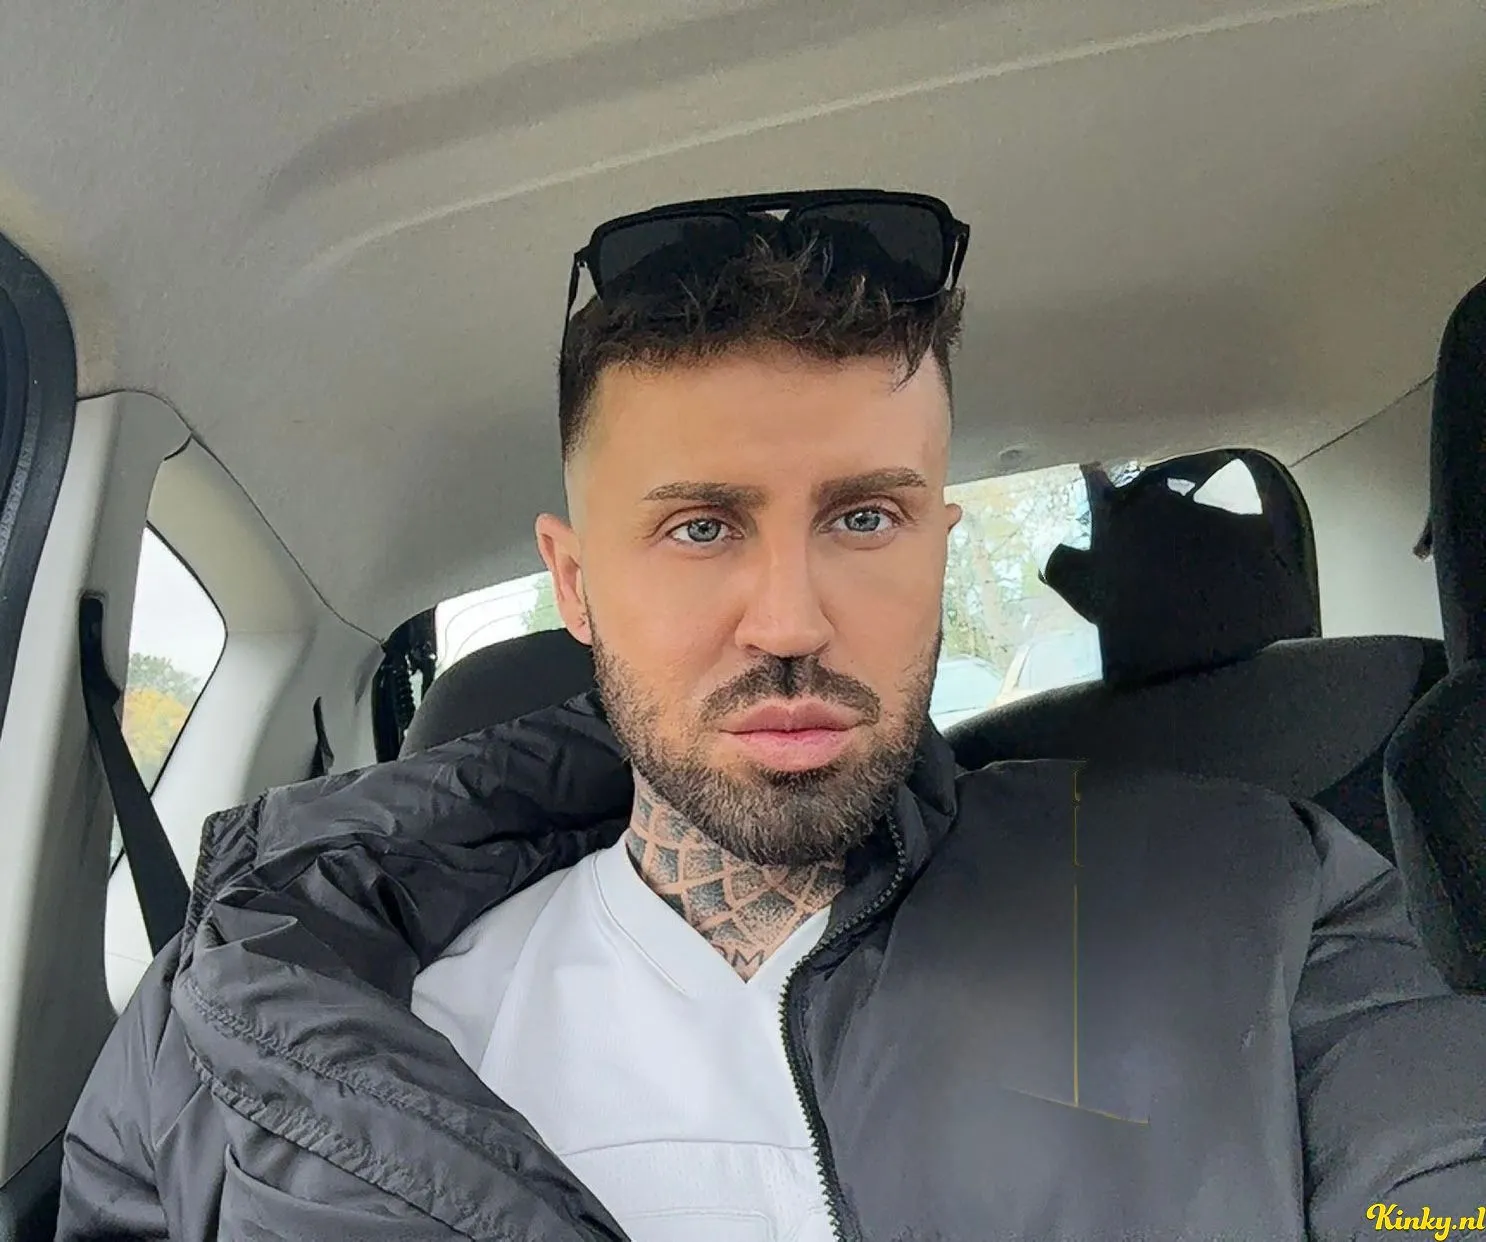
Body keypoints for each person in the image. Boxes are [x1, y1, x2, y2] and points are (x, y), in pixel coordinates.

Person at [57, 190, 1486, 1242]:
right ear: (575, 582)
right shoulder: (270, 1035)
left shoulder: (1257, 895)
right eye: (699, 528)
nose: (791, 618)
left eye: (865, 517)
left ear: (936, 549)